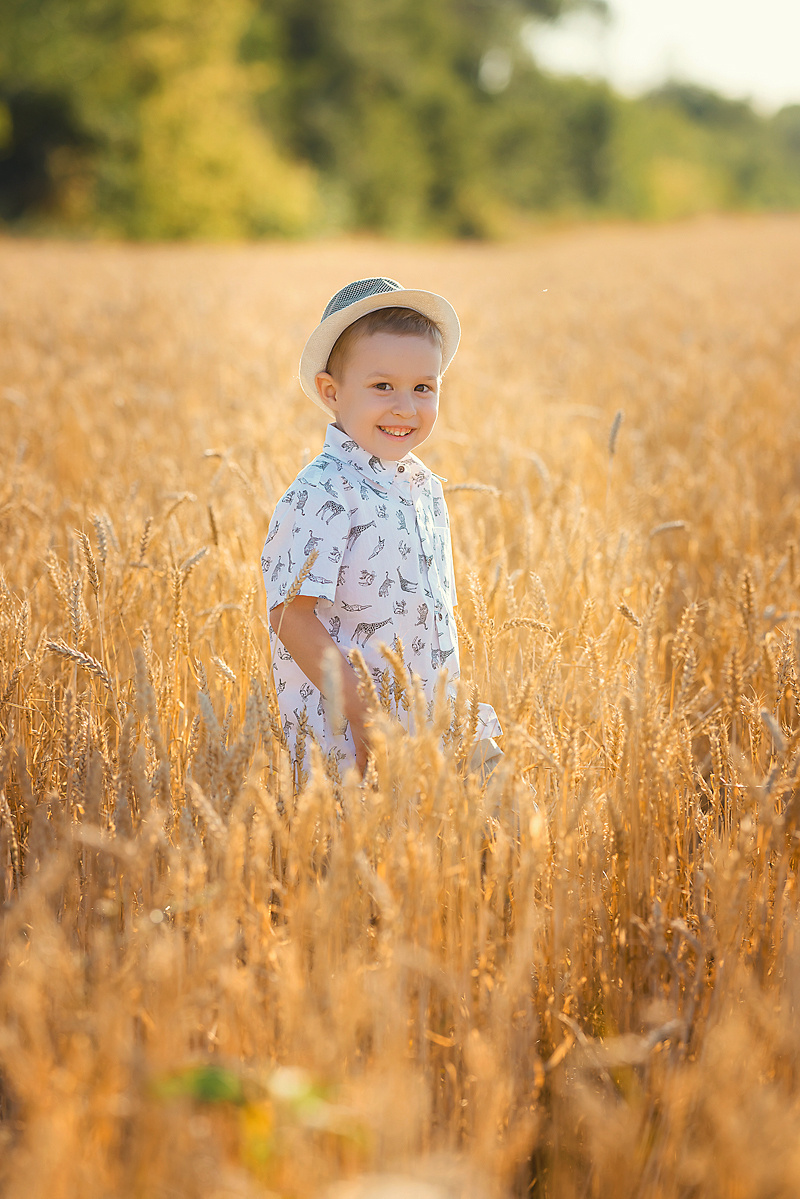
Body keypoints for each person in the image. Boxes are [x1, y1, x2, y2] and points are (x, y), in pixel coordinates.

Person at [262, 277, 502, 780]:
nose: (406, 407)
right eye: (382, 387)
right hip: (358, 740)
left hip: (444, 721)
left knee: (509, 840)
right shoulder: (322, 493)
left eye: (423, 388)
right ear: (332, 392)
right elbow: (290, 616)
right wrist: (366, 718)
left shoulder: (423, 487)